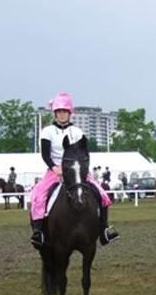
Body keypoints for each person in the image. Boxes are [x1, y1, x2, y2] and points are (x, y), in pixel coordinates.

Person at [28, 92, 119, 248]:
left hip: (76, 170)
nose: (62, 115)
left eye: (64, 112)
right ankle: (39, 232)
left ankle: (104, 230)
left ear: (69, 113)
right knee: (38, 195)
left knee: (102, 194)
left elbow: (83, 153)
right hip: (55, 170)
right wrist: (54, 168)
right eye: (59, 112)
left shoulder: (77, 132)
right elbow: (45, 154)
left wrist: (80, 169)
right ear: (55, 113)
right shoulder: (47, 131)